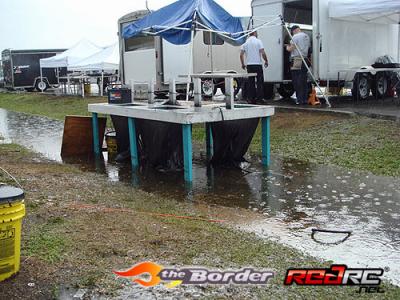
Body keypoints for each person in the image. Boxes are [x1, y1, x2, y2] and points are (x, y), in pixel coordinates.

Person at [240, 31, 269, 104]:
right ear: (255, 33)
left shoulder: (245, 43)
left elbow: (241, 55)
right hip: (257, 65)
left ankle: (251, 99)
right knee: (260, 82)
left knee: (251, 82)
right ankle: (260, 99)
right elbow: (263, 52)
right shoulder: (258, 41)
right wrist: (266, 60)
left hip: (249, 65)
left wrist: (243, 64)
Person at [286, 25, 311, 105]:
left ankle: (299, 99)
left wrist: (287, 47)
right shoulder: (307, 36)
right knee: (303, 80)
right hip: (305, 59)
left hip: (297, 60)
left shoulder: (295, 36)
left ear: (293, 31)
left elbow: (291, 48)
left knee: (297, 80)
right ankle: (304, 99)